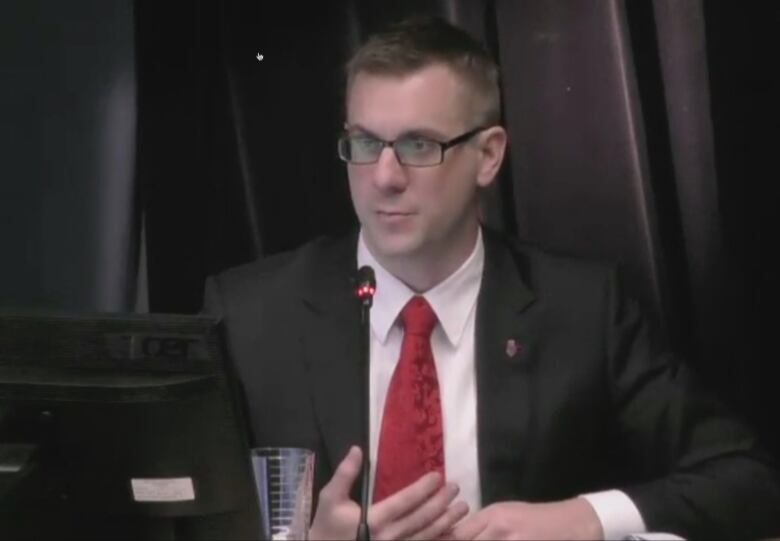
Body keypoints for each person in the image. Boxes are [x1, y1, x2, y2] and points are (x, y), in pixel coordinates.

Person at [203, 15, 780, 540]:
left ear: (488, 155)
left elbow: (746, 483)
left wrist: (583, 518)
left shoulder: (583, 308)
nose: (383, 177)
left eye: (418, 145)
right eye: (364, 143)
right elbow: (163, 517)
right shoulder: (252, 312)